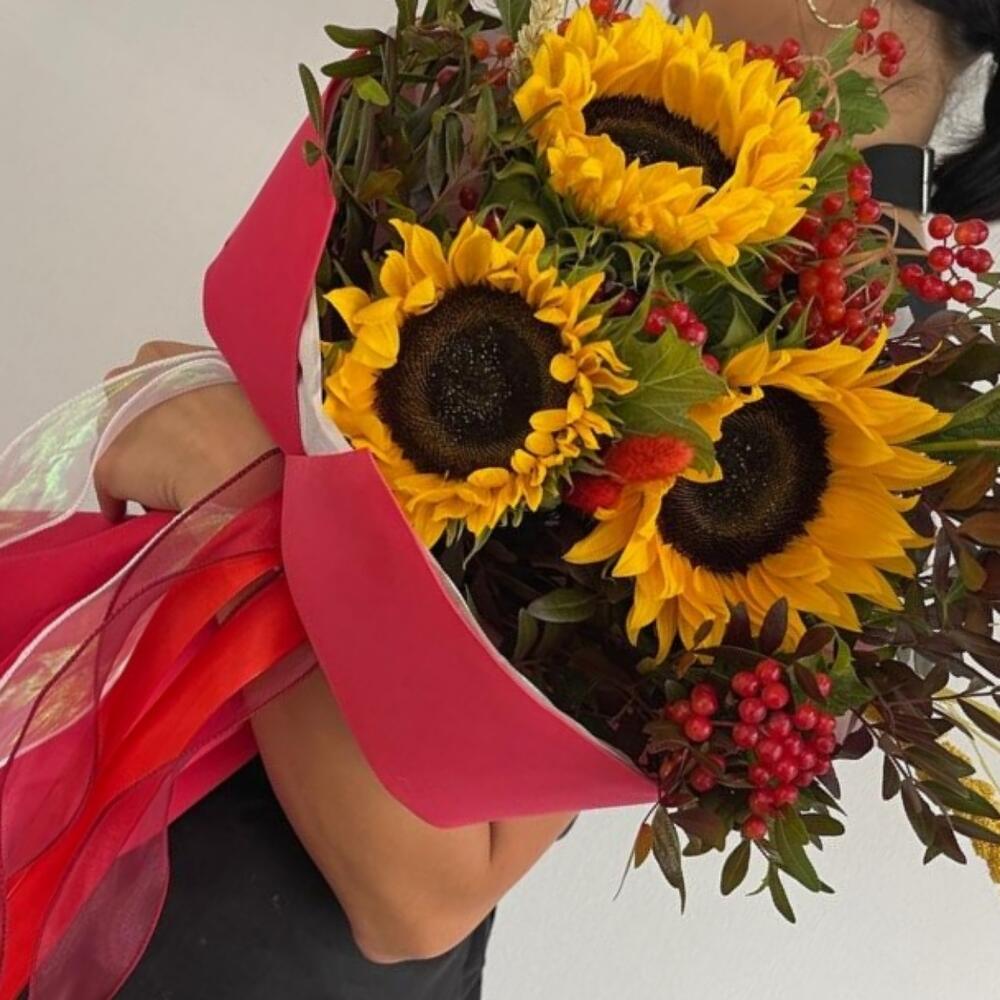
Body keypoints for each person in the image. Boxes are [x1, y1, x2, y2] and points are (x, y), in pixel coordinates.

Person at [93, 2, 1000, 997]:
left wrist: (231, 482)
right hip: (163, 827)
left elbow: (423, 891)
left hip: (232, 924)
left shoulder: (859, 359)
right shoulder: (648, 135)